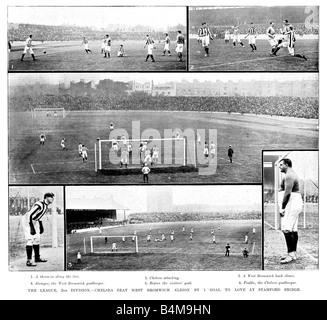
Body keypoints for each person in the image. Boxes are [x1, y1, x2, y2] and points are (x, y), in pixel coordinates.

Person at [278, 158, 303, 264]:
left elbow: (287, 193)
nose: (280, 166)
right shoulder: (291, 174)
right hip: (294, 203)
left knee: (286, 228)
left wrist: (282, 207)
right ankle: (293, 253)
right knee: (293, 229)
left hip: (291, 204)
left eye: (281, 165)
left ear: (287, 165)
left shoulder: (289, 176)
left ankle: (290, 254)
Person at [21, 192, 54, 267]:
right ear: (47, 197)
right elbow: (29, 214)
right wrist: (31, 227)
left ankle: (37, 258)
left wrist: (41, 226)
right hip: (27, 220)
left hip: (34, 221)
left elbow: (39, 216)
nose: (53, 199)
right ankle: (29, 261)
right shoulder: (39, 204)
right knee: (30, 239)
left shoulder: (46, 205)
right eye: (51, 197)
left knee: (37, 239)